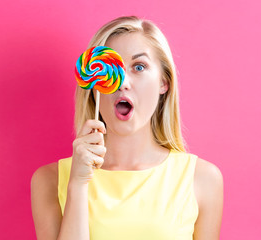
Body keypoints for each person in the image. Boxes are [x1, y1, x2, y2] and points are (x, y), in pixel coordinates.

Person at [31, 16, 223, 240]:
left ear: (164, 82)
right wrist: (78, 185)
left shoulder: (201, 179)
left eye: (139, 67)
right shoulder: (49, 181)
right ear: (93, 83)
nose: (122, 82)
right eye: (111, 69)